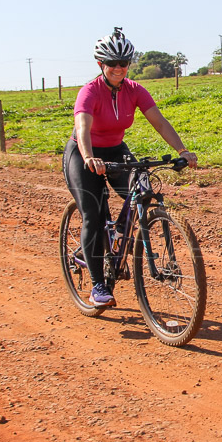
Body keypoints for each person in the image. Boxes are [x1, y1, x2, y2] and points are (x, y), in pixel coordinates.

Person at [63, 28, 197, 307]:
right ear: (101, 65)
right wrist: (89, 157)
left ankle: (120, 242)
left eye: (124, 63)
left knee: (143, 194)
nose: (119, 68)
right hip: (83, 153)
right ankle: (98, 286)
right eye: (112, 63)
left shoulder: (135, 90)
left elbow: (159, 122)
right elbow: (83, 127)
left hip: (115, 150)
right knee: (94, 214)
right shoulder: (89, 92)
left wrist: (182, 150)